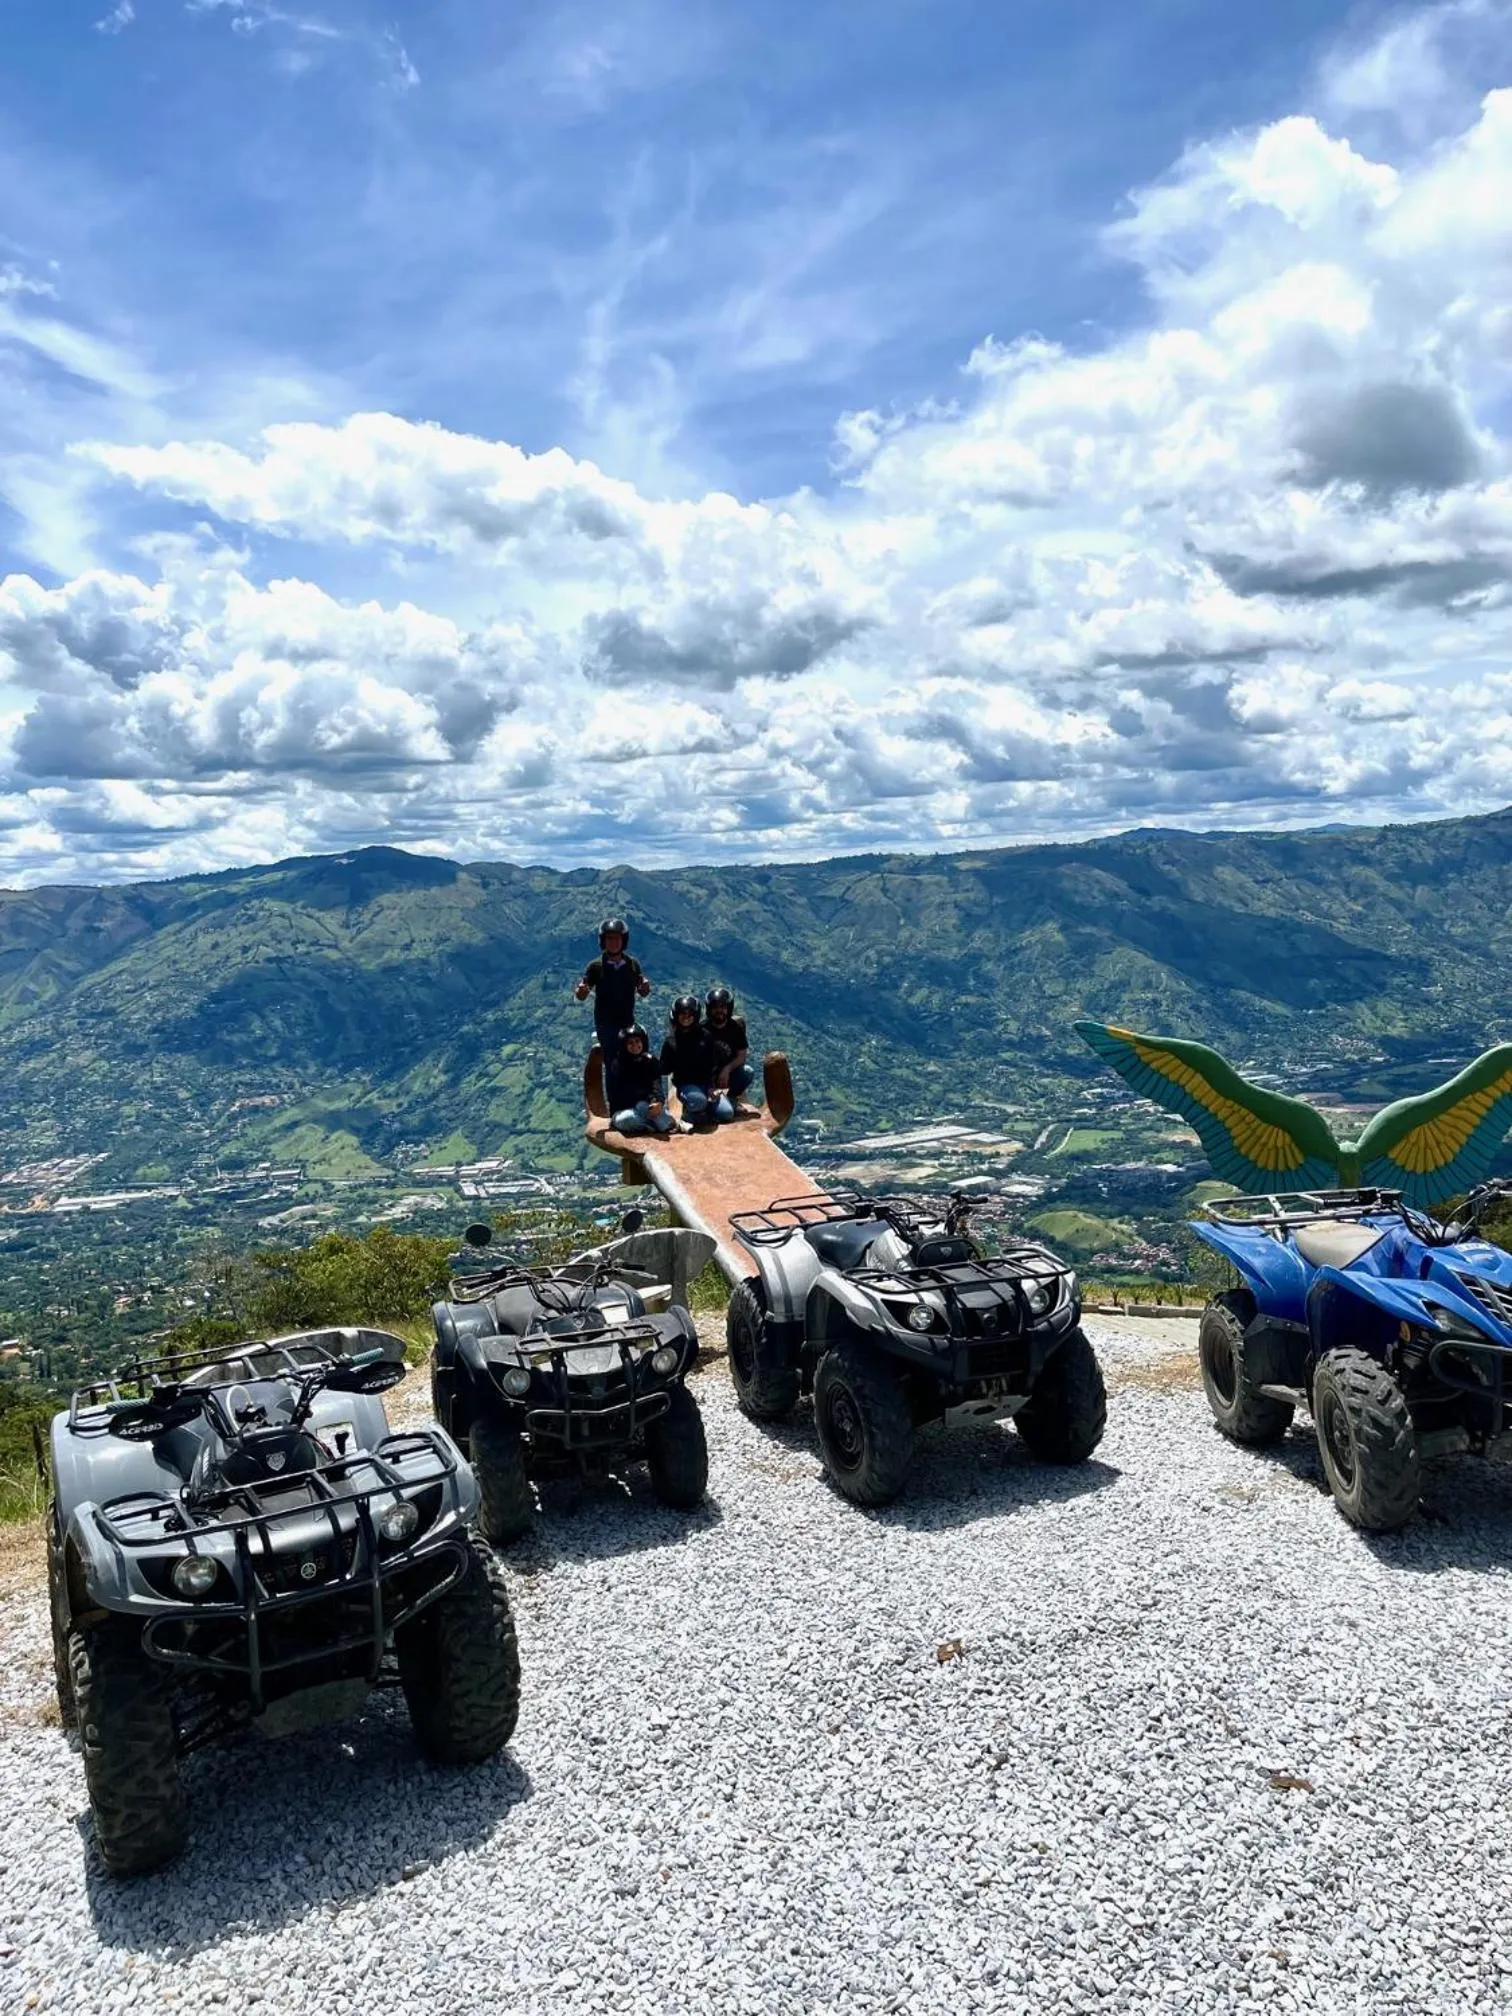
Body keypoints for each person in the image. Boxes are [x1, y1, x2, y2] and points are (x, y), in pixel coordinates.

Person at [574, 917, 651, 1085]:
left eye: (617, 938)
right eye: (609, 938)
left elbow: (643, 991)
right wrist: (581, 992)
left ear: (624, 940)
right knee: (612, 1064)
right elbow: (582, 994)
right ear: (603, 941)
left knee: (635, 1058)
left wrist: (645, 988)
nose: (614, 942)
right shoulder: (595, 966)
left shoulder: (632, 964)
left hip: (627, 1021)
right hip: (606, 1023)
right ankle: (615, 1105)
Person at [606, 1024, 676, 1137]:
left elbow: (656, 1085)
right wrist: (647, 1098)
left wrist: (657, 1102)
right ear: (624, 1045)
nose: (635, 1045)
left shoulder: (650, 1062)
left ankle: (664, 1125)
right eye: (630, 1043)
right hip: (623, 1110)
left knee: (645, 1106)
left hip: (645, 1106)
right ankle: (656, 1126)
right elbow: (620, 1094)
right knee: (629, 1118)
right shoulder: (617, 1065)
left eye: (637, 1041)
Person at [660, 994, 717, 1128]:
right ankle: (685, 1119)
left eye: (690, 1013)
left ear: (696, 1015)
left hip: (705, 1084)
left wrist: (712, 1086)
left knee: (726, 1113)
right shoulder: (671, 1041)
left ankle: (702, 1112)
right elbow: (664, 1069)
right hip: (686, 1085)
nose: (686, 1017)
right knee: (698, 1101)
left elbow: (713, 1064)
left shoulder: (706, 1036)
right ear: (676, 1015)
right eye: (682, 1014)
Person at [705, 986, 758, 1119]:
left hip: (727, 1076)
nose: (719, 1010)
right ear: (709, 1009)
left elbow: (742, 1055)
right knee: (725, 1114)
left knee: (747, 1072)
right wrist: (710, 1087)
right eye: (715, 1007)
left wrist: (727, 1069)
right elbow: (697, 1063)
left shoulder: (735, 1028)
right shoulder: (702, 1030)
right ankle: (707, 1105)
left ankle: (732, 1099)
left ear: (729, 1008)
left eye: (723, 1007)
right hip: (706, 1080)